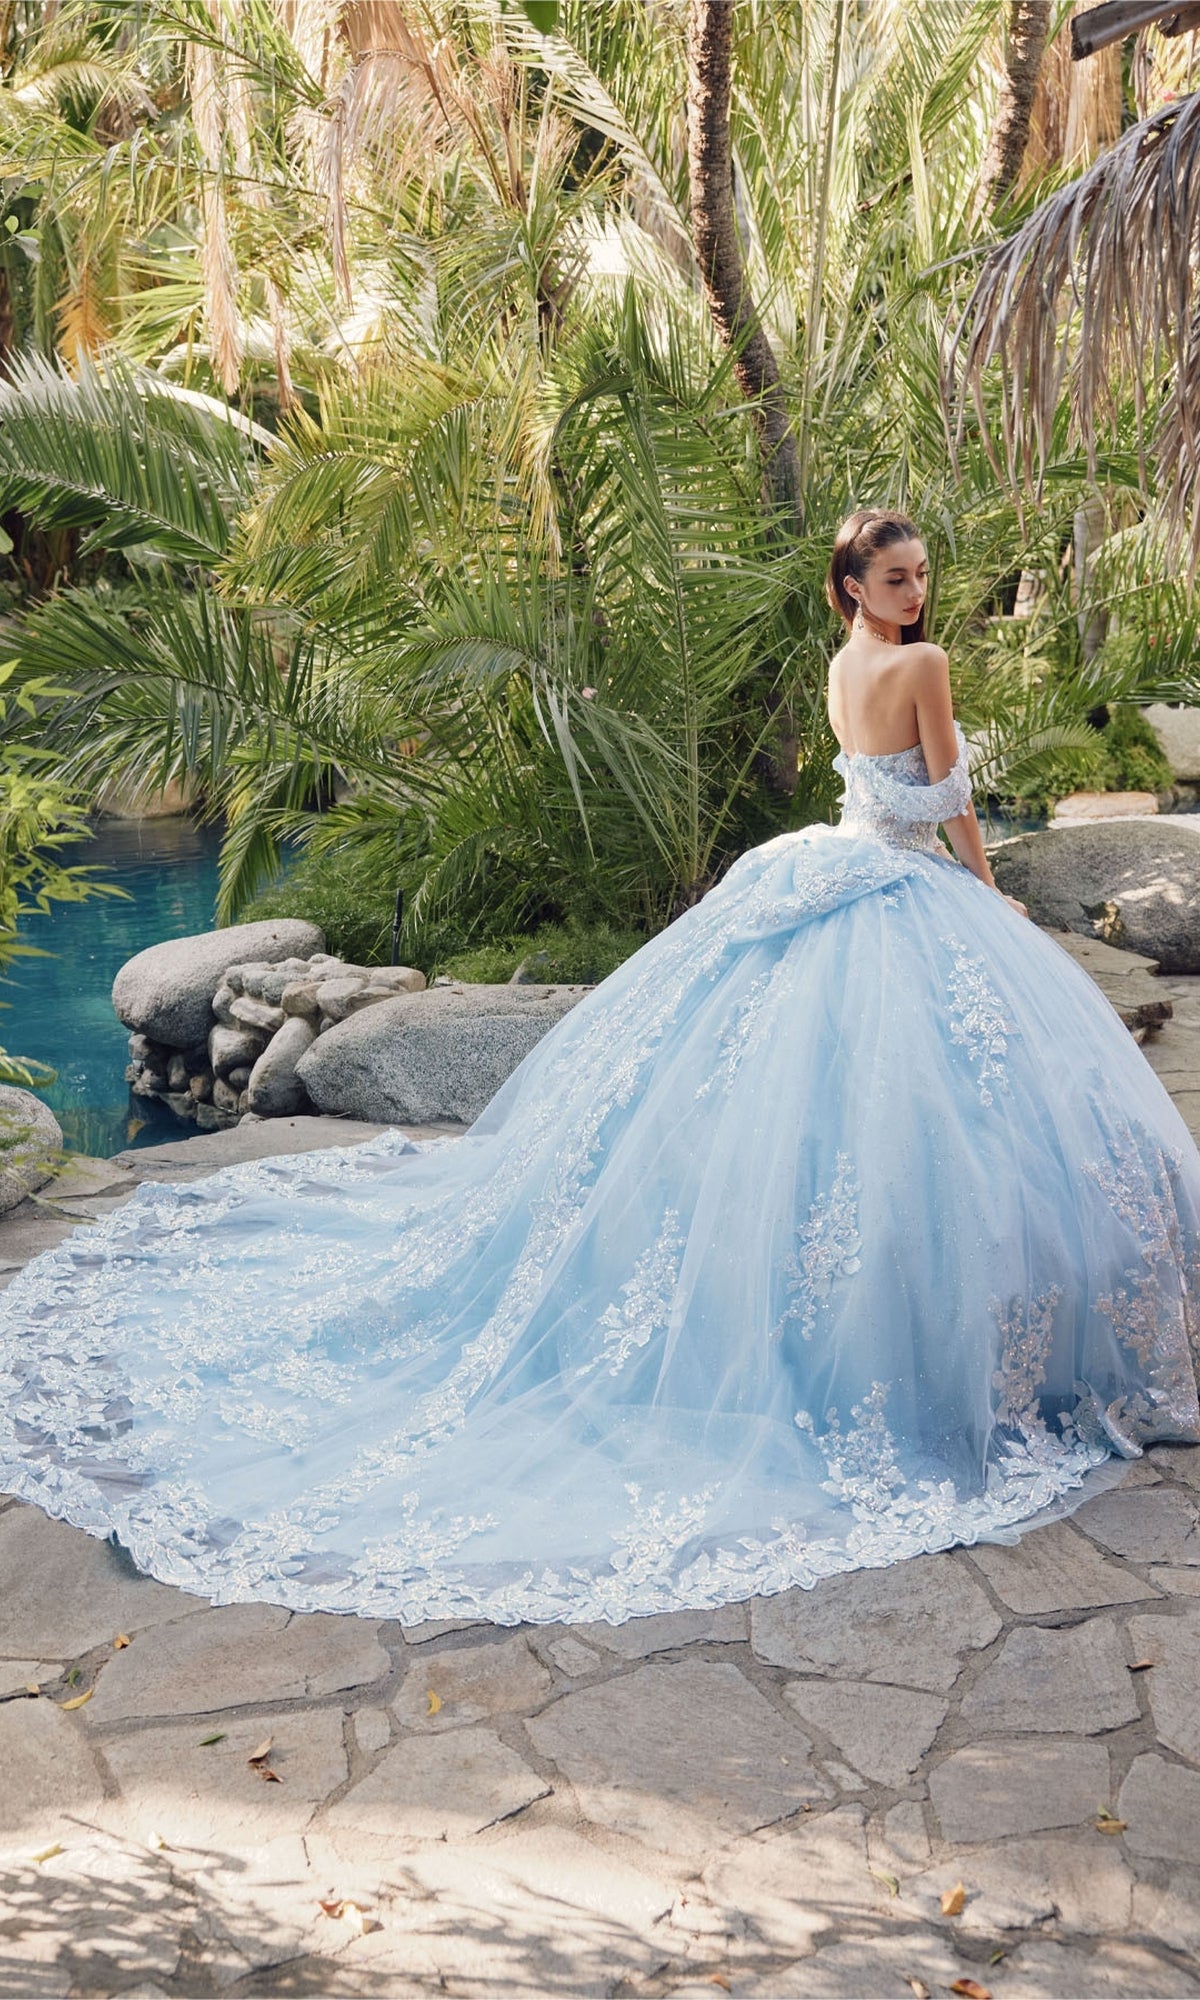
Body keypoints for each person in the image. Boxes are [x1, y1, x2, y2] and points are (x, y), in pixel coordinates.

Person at [1, 506, 1197, 1628]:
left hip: (828, 866)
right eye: (898, 576)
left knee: (815, 1110)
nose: (918, 591)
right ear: (852, 586)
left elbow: (868, 782)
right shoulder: (922, 666)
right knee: (928, 1111)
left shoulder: (841, 664)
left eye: (922, 575)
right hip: (899, 880)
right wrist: (987, 893)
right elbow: (946, 799)